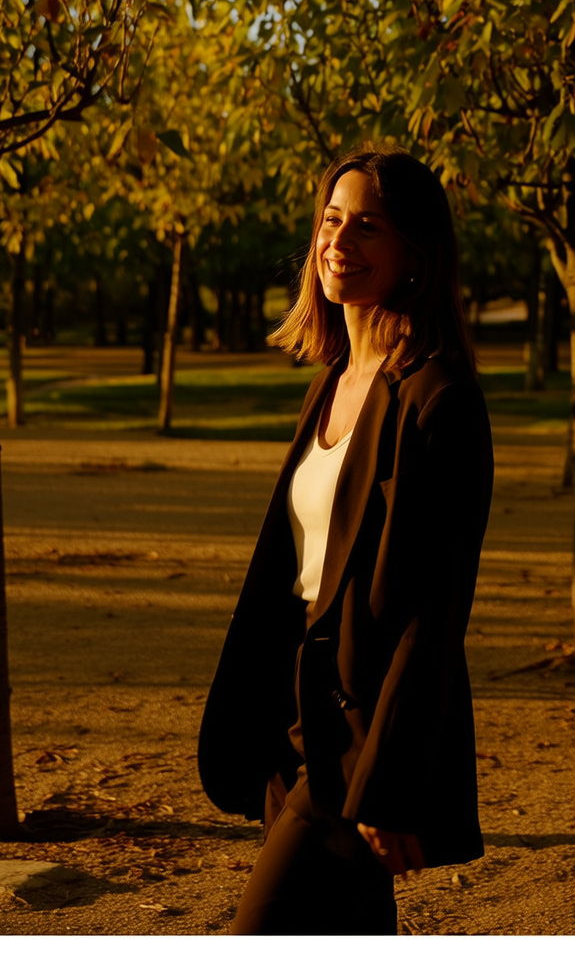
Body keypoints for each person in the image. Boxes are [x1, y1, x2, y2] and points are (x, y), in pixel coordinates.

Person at [198, 146, 494, 935]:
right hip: (286, 720)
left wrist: (388, 781)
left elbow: (434, 615)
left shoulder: (440, 399)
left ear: (414, 255)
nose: (340, 241)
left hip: (357, 738)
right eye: (332, 220)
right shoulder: (331, 380)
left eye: (368, 226)